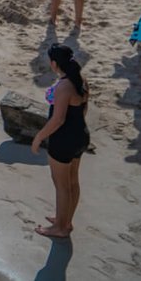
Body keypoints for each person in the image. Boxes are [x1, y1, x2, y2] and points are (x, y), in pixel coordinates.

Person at [31, 44, 90, 239]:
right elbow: (83, 110)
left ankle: (60, 229)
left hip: (64, 139)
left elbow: (58, 119)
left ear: (54, 64)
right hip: (80, 135)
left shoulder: (64, 86)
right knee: (72, 181)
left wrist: (39, 137)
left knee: (61, 185)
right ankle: (65, 221)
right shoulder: (81, 80)